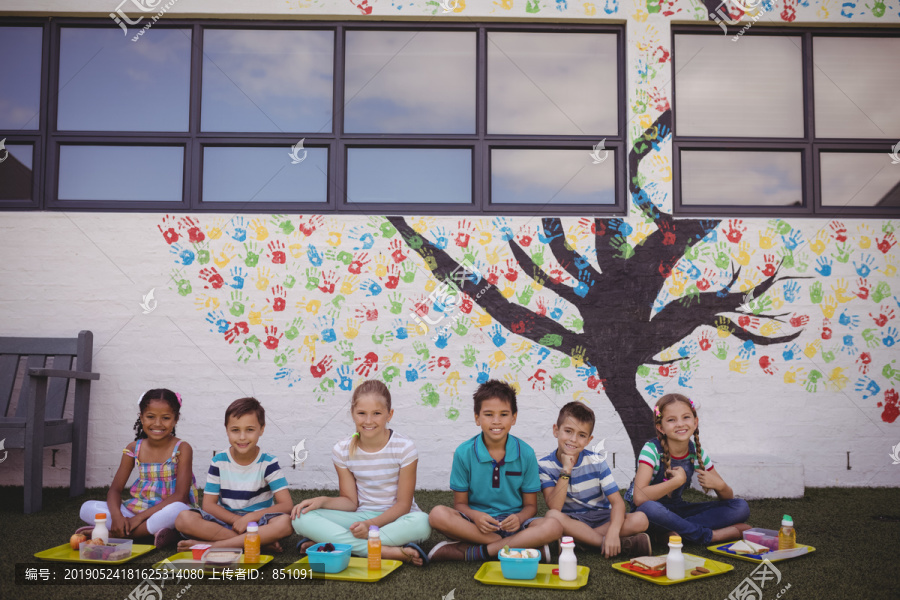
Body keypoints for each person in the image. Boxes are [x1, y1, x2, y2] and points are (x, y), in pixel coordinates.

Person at [291, 380, 431, 565]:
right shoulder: (341, 450)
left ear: (389, 414)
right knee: (301, 518)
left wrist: (370, 526)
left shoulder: (405, 448)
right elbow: (350, 502)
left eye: (377, 413)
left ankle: (335, 543)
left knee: (423, 522)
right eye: (361, 413)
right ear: (353, 414)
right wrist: (322, 501)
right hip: (360, 516)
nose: (368, 421)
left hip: (398, 518)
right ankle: (385, 551)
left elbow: (403, 505)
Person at [427, 380, 562, 562]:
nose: (496, 421)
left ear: (514, 418)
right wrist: (476, 516)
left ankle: (479, 552)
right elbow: (460, 505)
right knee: (437, 514)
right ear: (477, 418)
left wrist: (519, 518)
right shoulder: (463, 453)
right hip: (478, 527)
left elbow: (531, 506)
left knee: (554, 526)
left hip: (515, 525)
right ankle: (517, 545)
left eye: (504, 414)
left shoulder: (526, 453)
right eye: (488, 414)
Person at [625, 393, 751, 545]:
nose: (680, 424)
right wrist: (676, 481)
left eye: (686, 417)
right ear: (661, 427)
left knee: (740, 507)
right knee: (650, 508)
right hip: (650, 513)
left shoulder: (697, 454)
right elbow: (640, 498)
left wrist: (720, 486)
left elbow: (728, 498)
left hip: (677, 510)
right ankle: (709, 536)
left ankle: (673, 533)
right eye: (671, 420)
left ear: (695, 422)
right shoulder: (651, 450)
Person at [79, 389, 196, 548]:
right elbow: (114, 490)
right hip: (135, 510)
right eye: (150, 417)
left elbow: (180, 496)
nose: (157, 423)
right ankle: (151, 533)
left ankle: (115, 534)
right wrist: (118, 516)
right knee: (87, 507)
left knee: (178, 510)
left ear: (176, 419)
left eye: (166, 418)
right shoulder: (133, 448)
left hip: (165, 510)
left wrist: (138, 519)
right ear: (141, 417)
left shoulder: (183, 448)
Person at [175, 397, 293, 551]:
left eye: (250, 430)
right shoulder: (219, 461)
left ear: (262, 429)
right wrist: (236, 520)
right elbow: (209, 505)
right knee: (184, 519)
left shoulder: (268, 463)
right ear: (227, 429)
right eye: (235, 430)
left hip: (258, 523)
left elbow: (286, 505)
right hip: (225, 523)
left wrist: (249, 518)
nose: (242, 437)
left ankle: (214, 546)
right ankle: (258, 542)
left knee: (285, 523)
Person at [540, 401, 651, 557]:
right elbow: (555, 507)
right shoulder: (545, 465)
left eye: (581, 435)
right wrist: (566, 470)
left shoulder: (597, 461)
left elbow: (618, 503)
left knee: (641, 519)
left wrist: (613, 531)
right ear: (556, 430)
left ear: (588, 440)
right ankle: (602, 544)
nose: (573, 439)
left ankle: (579, 541)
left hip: (601, 517)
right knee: (551, 516)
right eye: (568, 431)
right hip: (572, 521)